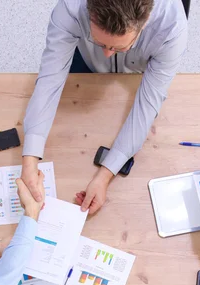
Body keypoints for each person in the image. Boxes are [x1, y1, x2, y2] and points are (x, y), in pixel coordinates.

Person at [21, 0, 188, 215]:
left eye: (118, 47)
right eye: (101, 43)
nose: (108, 54)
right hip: (85, 61)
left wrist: (104, 176)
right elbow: (49, 82)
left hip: (141, 67)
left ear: (145, 22)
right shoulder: (70, 7)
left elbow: (147, 106)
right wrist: (30, 159)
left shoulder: (172, 27)